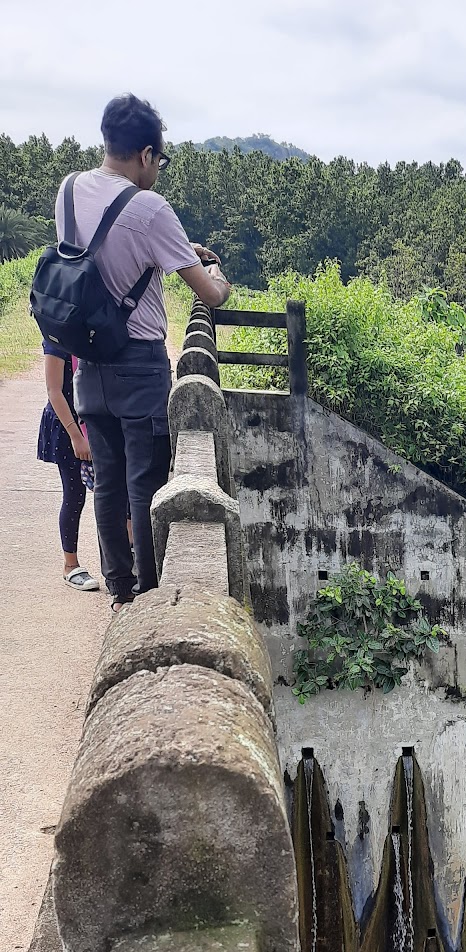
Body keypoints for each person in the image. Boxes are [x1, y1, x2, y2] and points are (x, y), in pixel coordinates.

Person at [55, 93, 232, 610]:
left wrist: (175, 250)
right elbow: (209, 294)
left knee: (107, 483)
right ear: (147, 154)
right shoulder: (152, 208)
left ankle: (119, 589)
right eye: (160, 160)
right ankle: (151, 591)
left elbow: (102, 251)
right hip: (139, 364)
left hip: (89, 364)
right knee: (146, 481)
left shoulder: (69, 190)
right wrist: (217, 274)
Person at [37, 344, 100, 590]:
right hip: (67, 427)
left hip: (96, 422)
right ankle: (70, 565)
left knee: (117, 492)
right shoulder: (56, 338)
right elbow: (54, 391)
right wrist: (76, 436)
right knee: (74, 495)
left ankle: (124, 559)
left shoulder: (91, 333)